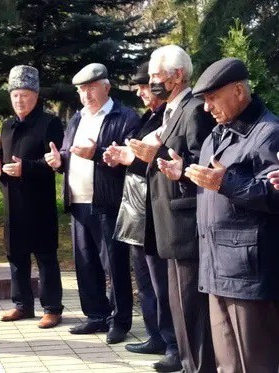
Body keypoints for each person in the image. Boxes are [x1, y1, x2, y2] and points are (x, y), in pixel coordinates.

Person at [160, 57, 279, 372]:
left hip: (247, 272)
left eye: (213, 98)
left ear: (239, 91)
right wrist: (184, 174)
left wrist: (225, 182)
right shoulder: (216, 134)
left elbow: (273, 196)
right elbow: (210, 189)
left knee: (257, 362)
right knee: (226, 362)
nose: (207, 107)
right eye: (204, 100)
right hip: (214, 266)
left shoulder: (268, 132)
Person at [127, 45, 216, 372]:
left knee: (191, 305)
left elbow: (202, 163)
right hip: (165, 220)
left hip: (185, 222)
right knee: (178, 303)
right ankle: (182, 356)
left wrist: (161, 160)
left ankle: (195, 361)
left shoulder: (193, 109)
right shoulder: (169, 110)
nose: (151, 83)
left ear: (178, 75)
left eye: (155, 76)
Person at [44, 63, 140, 344]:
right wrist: (59, 160)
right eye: (81, 90)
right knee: (86, 263)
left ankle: (120, 321)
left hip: (108, 202)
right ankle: (95, 315)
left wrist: (96, 153)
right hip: (78, 201)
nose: (86, 94)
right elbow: (67, 151)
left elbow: (131, 160)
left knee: (115, 265)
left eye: (91, 87)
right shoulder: (77, 118)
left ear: (106, 87)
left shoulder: (125, 117)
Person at [103, 62, 179, 371]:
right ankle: (155, 335)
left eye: (146, 86)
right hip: (136, 208)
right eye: (139, 87)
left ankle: (172, 341)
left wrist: (130, 158)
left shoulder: (169, 118)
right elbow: (137, 156)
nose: (141, 91)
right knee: (145, 279)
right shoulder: (147, 118)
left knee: (160, 280)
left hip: (154, 209)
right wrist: (121, 156)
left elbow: (159, 161)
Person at [0, 65, 64, 329]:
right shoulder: (7, 126)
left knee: (45, 255)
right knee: (16, 255)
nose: (19, 101)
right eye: (14, 96)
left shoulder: (49, 123)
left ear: (35, 95)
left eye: (24, 95)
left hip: (39, 201)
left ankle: (52, 307)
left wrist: (26, 168)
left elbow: (55, 163)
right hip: (12, 201)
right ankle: (22, 304)